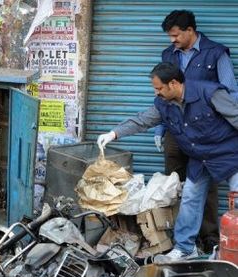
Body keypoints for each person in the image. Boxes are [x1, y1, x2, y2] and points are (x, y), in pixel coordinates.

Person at [97, 62, 238, 262]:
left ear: (173, 83)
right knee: (190, 197)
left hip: (230, 154)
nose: (156, 93)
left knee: (237, 203)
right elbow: (142, 120)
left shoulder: (209, 92)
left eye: (159, 88)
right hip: (201, 159)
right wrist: (113, 134)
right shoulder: (163, 104)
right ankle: (185, 248)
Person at [153, 10, 238, 253]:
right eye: (170, 36)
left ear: (190, 30)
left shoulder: (216, 53)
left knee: (205, 183)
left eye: (176, 35)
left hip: (207, 131)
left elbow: (231, 93)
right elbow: (161, 95)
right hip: (177, 129)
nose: (172, 40)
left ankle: (209, 237)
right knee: (177, 183)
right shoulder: (168, 54)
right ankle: (180, 240)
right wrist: (160, 128)